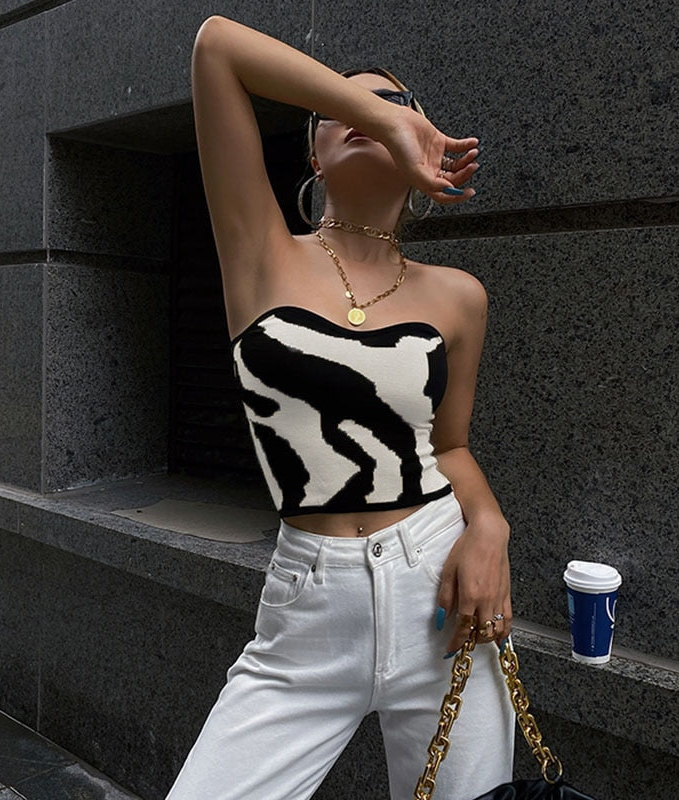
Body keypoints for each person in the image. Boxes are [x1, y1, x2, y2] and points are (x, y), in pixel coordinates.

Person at [167, 14, 515, 800]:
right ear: (315, 157)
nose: (368, 114)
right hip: (308, 608)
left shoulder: (459, 297)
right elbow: (218, 47)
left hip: (439, 588)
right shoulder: (261, 253)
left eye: (393, 103)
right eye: (341, 111)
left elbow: (451, 448)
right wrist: (386, 115)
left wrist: (491, 525)